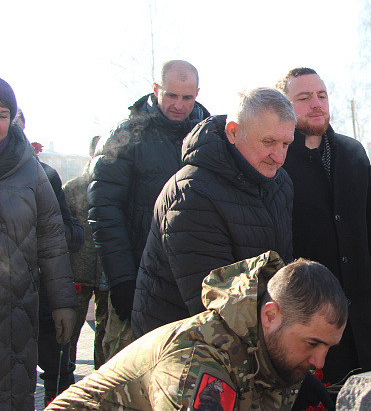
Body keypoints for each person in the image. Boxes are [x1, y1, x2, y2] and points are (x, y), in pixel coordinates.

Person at [47, 252, 348, 410]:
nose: (319, 363)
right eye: (312, 344)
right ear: (270, 316)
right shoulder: (199, 360)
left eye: (328, 349)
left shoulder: (270, 355)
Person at [133, 87, 295, 337]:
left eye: (286, 144)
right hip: (184, 349)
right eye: (268, 142)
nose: (279, 157)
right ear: (233, 132)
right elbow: (214, 307)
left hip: (250, 336)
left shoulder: (279, 183)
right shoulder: (191, 193)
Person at [277, 68, 371, 385]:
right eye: (304, 98)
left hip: (363, 314)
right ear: (284, 107)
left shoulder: (352, 152)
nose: (316, 104)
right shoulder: (278, 161)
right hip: (309, 322)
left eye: (321, 95)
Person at [88, 60, 210, 358]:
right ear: (156, 90)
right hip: (138, 279)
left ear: (198, 93)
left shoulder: (211, 136)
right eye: (171, 95)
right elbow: (105, 211)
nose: (179, 105)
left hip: (194, 284)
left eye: (187, 97)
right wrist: (122, 279)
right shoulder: (126, 136)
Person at [0, 78, 78, 409]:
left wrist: (62, 304)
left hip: (16, 312)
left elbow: (52, 241)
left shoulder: (30, 172)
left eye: (2, 114)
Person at [15, 108, 85, 403]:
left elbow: (71, 236)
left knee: (58, 375)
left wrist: (42, 231)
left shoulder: (45, 176)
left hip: (42, 296)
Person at [62, 135, 109, 369]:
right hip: (77, 273)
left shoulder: (116, 188)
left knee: (105, 333)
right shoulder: (72, 189)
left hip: (107, 274)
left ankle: (101, 387)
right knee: (69, 331)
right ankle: (63, 384)